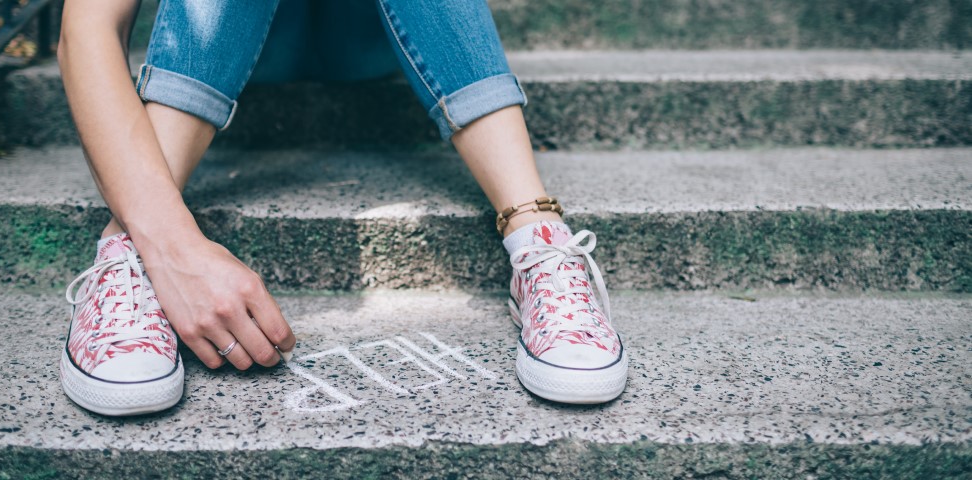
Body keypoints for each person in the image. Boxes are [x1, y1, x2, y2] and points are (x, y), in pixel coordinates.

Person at [57, 0, 627, 416]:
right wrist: (172, 245)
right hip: (244, 37)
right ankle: (132, 247)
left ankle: (538, 235)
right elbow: (86, 27)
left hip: (385, 30)